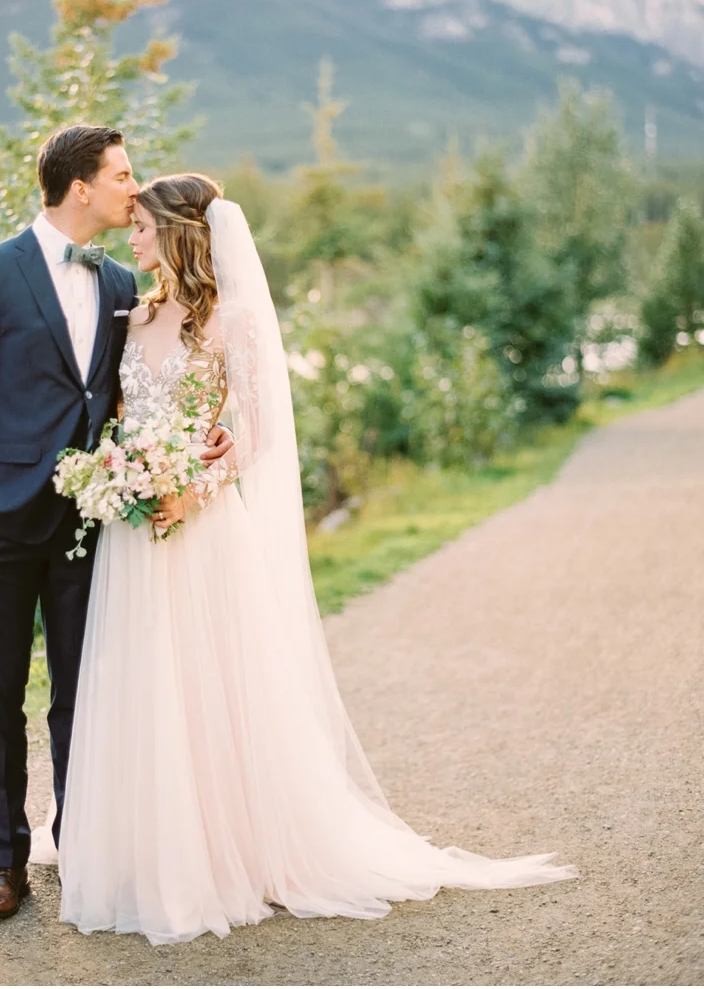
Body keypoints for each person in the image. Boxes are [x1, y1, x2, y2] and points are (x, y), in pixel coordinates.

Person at [52, 173, 577, 945]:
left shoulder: (232, 323)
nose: (130, 239)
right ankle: (151, 850)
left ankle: (234, 849)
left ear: (179, 233)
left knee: (210, 681)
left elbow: (259, 434)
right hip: (135, 531)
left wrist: (192, 489)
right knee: (146, 680)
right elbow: (124, 417)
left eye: (141, 227)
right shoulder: (136, 315)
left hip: (198, 526)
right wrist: (118, 475)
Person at [0, 127, 233, 920]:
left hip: (90, 525)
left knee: (83, 693)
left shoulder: (123, 281)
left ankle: (80, 842)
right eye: (122, 176)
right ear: (80, 188)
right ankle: (5, 865)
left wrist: (209, 444)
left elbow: (151, 389)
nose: (134, 191)